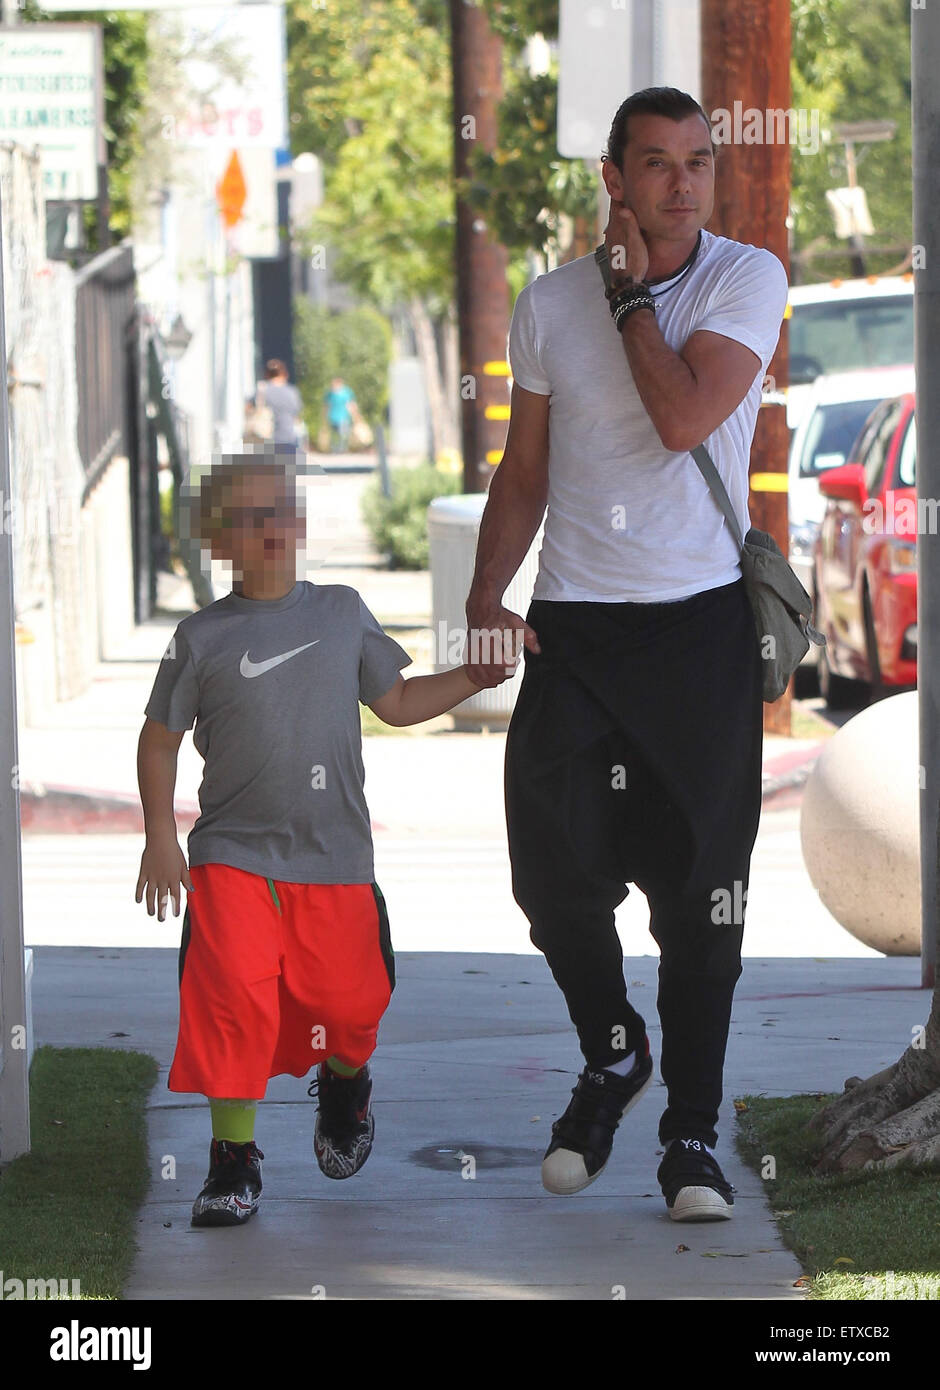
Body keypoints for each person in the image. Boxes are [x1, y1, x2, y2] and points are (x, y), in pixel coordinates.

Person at [465, 87, 788, 1222]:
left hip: (697, 627)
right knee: (548, 874)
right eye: (655, 164)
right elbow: (526, 465)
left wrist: (627, 293)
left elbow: (685, 417)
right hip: (577, 626)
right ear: (613, 176)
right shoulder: (550, 303)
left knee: (704, 896)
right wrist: (481, 594)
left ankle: (690, 1134)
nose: (682, 183)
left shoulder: (744, 280)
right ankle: (613, 1053)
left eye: (698, 162)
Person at [135, 451, 512, 1227]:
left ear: (299, 524)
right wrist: (159, 839)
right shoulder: (199, 637)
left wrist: (472, 677)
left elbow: (400, 700)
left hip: (334, 857)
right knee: (233, 1002)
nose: (268, 528)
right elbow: (158, 739)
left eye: (279, 511)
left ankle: (346, 1085)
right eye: (247, 517)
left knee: (350, 1002)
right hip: (231, 856)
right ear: (218, 539)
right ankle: (231, 1164)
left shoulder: (341, 612)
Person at [255, 359, 303, 452]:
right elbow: (297, 414)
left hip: (266, 437)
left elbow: (249, 409)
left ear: (267, 374)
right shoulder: (292, 392)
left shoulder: (262, 390)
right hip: (289, 437)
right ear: (284, 374)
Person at [323, 377, 358, 453]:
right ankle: (335, 449)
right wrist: (325, 416)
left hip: (344, 417)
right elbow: (326, 405)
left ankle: (342, 449)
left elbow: (351, 404)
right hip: (333, 417)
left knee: (343, 434)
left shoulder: (346, 392)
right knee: (334, 434)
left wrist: (355, 415)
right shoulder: (330, 393)